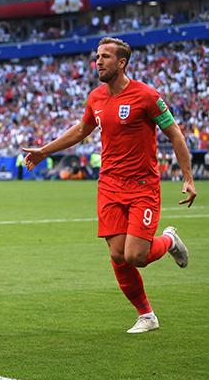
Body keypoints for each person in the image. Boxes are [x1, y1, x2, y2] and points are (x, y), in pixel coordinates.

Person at [23, 37, 196, 333]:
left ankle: (168, 240)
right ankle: (146, 315)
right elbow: (81, 130)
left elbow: (176, 135)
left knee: (135, 256)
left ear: (121, 62)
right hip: (110, 186)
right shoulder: (96, 97)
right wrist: (44, 150)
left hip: (142, 185)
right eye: (97, 56)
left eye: (105, 56)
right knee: (118, 254)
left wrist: (188, 177)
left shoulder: (147, 96)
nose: (98, 61)